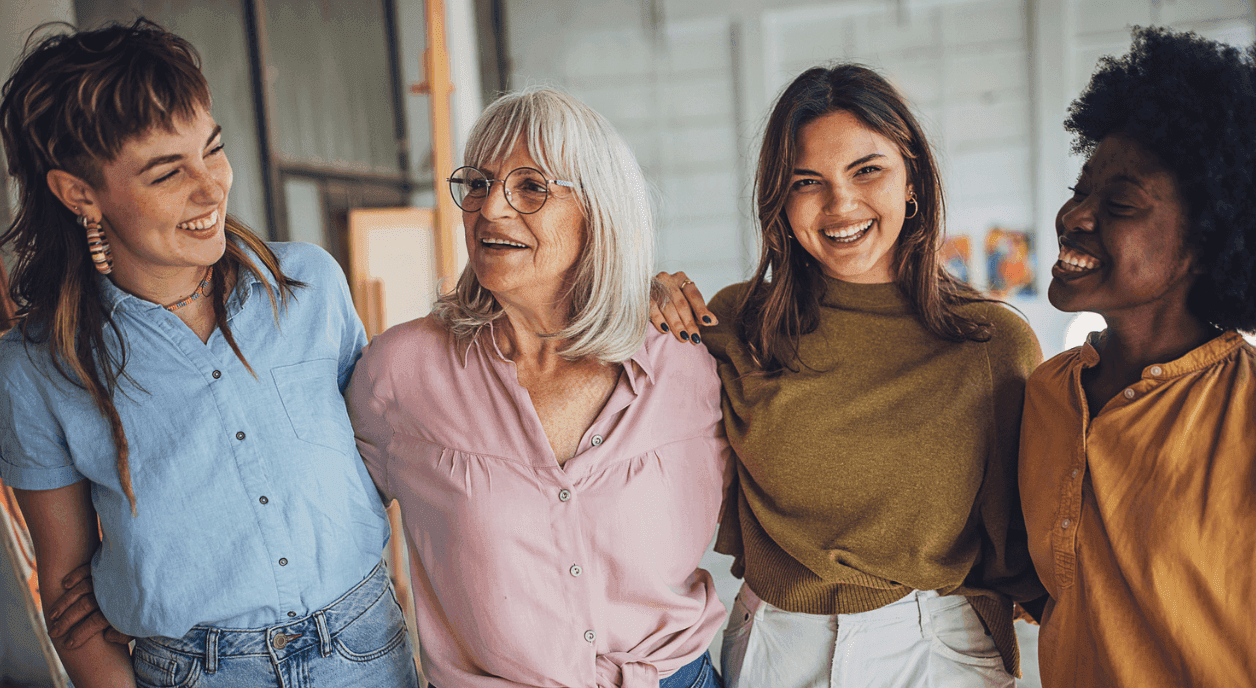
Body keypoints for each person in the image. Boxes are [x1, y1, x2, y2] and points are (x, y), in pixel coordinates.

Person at [0, 20, 418, 687]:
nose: (211, 186)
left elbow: (386, 461)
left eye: (213, 149)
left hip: (366, 651)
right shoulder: (38, 368)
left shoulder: (309, 286)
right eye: (168, 172)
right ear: (79, 192)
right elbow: (67, 598)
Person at [653, 64, 1045, 687]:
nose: (840, 205)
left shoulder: (991, 344)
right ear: (780, 201)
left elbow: (1032, 542)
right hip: (776, 647)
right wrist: (639, 305)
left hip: (935, 647)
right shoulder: (735, 324)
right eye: (807, 182)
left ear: (912, 179)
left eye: (867, 170)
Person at [345, 87, 729, 688]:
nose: (491, 209)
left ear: (598, 210)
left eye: (530, 187)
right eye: (478, 184)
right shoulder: (401, 371)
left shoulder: (689, 361)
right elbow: (329, 541)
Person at [1020, 27, 1256, 687]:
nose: (1075, 215)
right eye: (1081, 189)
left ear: (1207, 243)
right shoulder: (1047, 393)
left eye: (1120, 204)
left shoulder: (1245, 413)